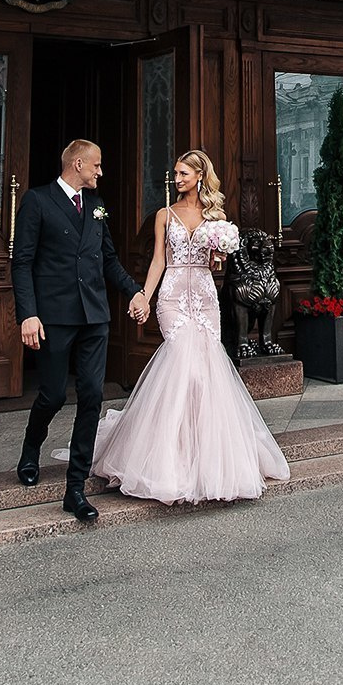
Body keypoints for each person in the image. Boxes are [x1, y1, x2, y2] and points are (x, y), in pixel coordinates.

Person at [88, 149, 289, 504]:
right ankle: (168, 459)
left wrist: (219, 255)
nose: (176, 179)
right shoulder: (164, 215)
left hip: (205, 296)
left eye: (183, 173)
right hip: (173, 298)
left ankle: (207, 457)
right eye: (176, 173)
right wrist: (144, 298)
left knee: (206, 372)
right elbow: (157, 262)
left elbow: (216, 268)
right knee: (182, 367)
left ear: (199, 176)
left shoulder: (217, 218)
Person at [12, 138, 145, 523]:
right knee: (52, 396)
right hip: (52, 316)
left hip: (94, 317)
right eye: (97, 166)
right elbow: (22, 262)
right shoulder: (38, 201)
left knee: (91, 396)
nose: (101, 173)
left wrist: (134, 291)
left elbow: (108, 259)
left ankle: (75, 488)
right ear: (78, 164)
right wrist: (28, 314)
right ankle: (30, 448)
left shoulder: (98, 206)